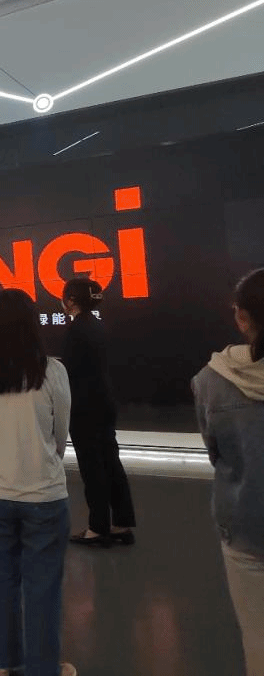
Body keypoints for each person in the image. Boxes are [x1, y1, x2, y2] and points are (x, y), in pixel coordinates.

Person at [0, 289, 75, 676]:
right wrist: (44, 456)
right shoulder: (52, 371)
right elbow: (60, 433)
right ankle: (43, 668)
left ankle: (2, 663)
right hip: (43, 493)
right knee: (43, 588)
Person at [192, 267, 264, 675]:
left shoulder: (211, 381)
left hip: (246, 524)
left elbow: (214, 451)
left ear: (242, 317)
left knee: (258, 640)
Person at [61, 278, 135, 547]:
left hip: (84, 406)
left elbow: (69, 370)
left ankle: (97, 528)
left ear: (71, 300)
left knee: (92, 467)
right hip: (104, 402)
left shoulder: (75, 330)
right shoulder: (97, 325)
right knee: (111, 462)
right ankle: (122, 524)